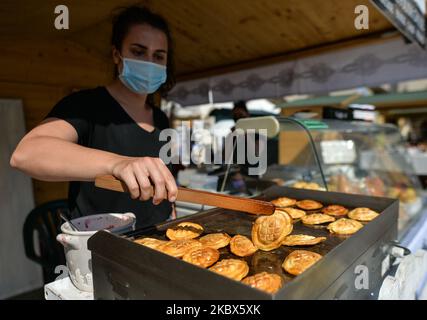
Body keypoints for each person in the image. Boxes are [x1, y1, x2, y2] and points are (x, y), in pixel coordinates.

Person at [10, 6, 178, 228]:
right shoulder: (85, 105)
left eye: (158, 56)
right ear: (117, 54)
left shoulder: (160, 118)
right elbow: (26, 154)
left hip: (158, 242)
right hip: (101, 249)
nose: (149, 62)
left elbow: (165, 181)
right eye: (138, 52)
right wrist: (118, 164)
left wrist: (172, 214)